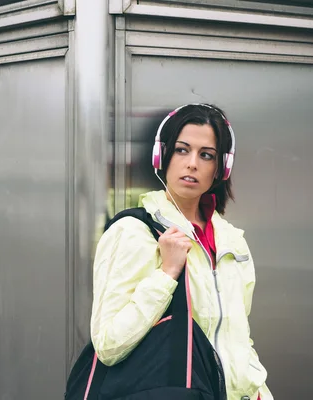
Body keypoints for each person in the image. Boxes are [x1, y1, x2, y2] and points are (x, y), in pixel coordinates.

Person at [90, 104, 273, 400]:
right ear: (162, 156)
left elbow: (238, 339)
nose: (192, 164)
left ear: (220, 168)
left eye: (206, 155)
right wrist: (167, 274)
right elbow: (108, 345)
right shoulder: (133, 231)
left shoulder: (231, 241)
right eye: (182, 150)